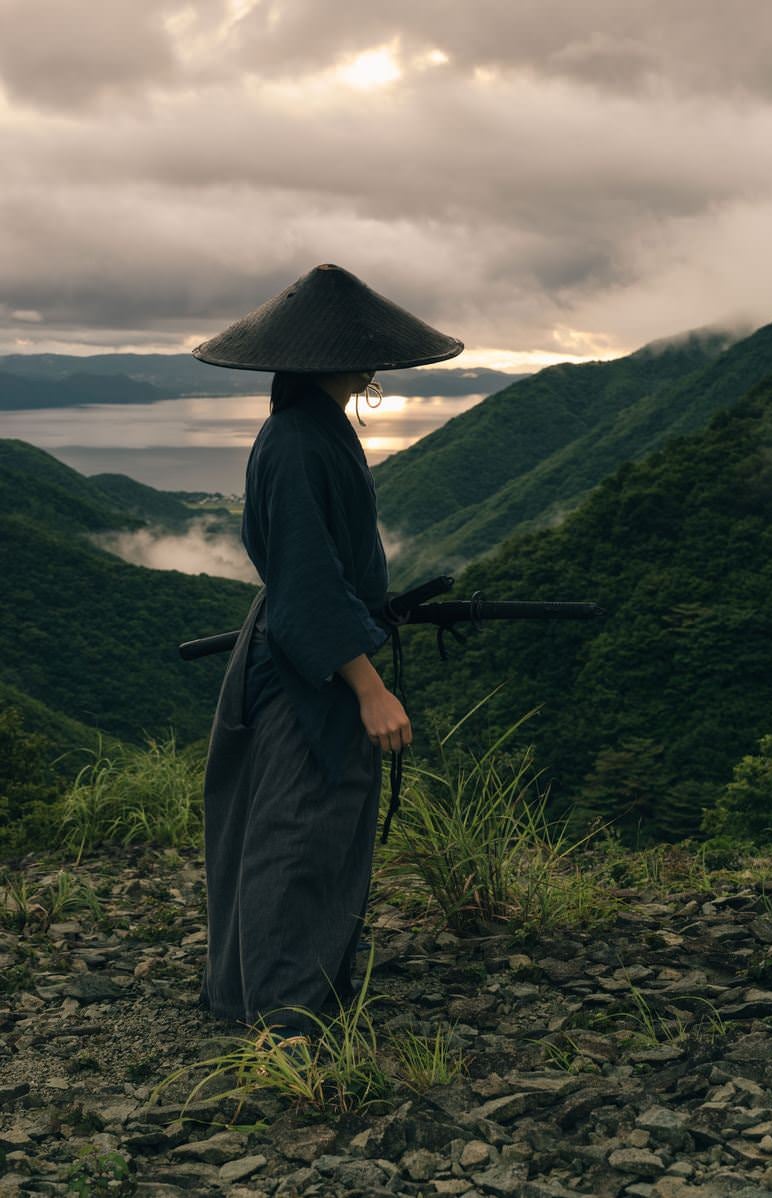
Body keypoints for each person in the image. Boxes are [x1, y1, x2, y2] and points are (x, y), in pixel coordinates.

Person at [191, 264, 463, 1036]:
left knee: (289, 821)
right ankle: (280, 1020)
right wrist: (370, 687)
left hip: (298, 649)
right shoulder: (298, 442)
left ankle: (266, 994)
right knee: (298, 829)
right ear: (345, 363)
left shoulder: (308, 427)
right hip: (308, 667)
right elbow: (308, 584)